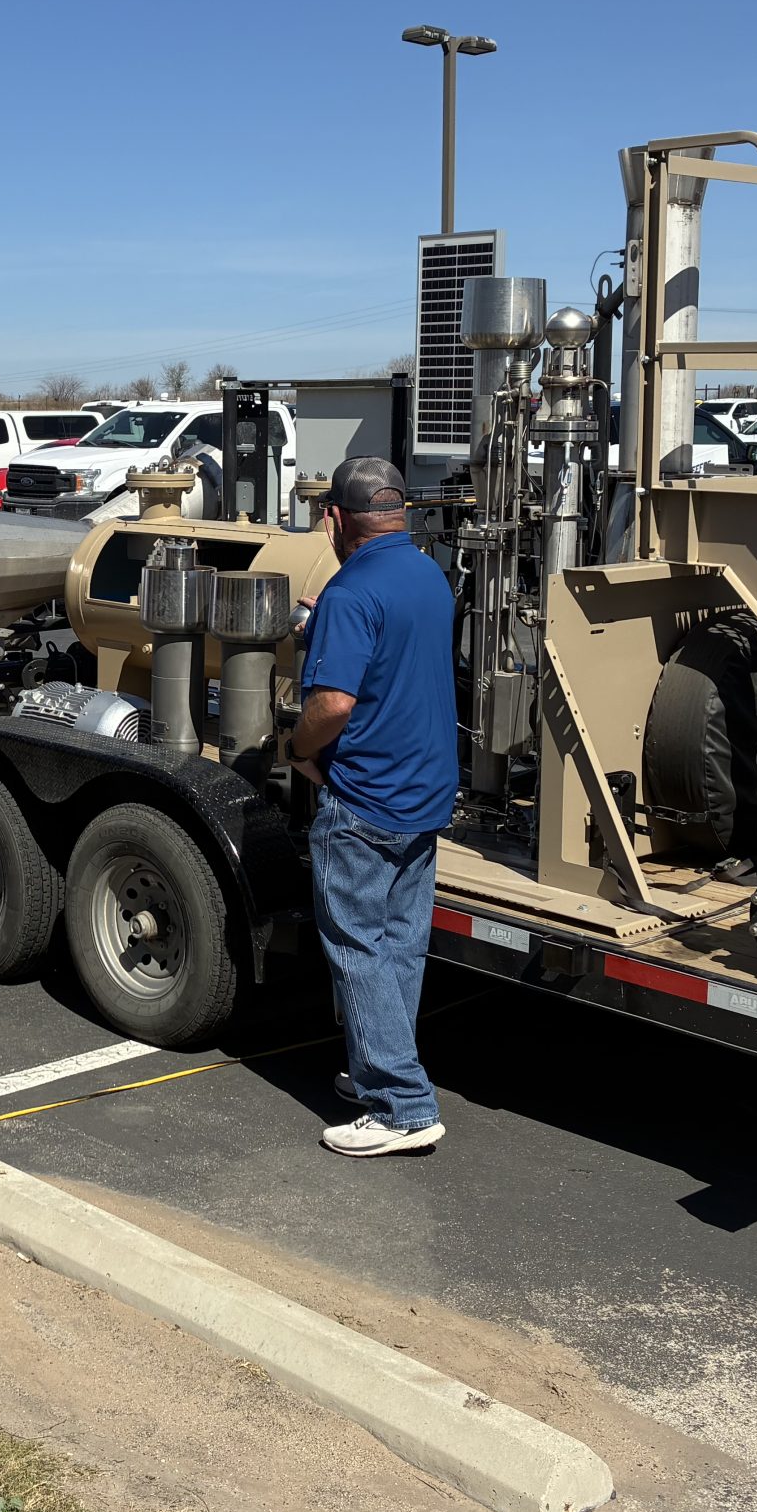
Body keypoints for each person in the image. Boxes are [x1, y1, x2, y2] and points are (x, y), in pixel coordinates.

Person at [288, 456, 458, 1158]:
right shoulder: (428, 574)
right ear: (397, 513)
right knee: (398, 945)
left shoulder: (348, 592)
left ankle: (402, 1106)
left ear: (336, 518)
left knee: (356, 947)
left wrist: (297, 749)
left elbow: (332, 704)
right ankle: (376, 1070)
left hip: (363, 798)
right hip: (424, 793)